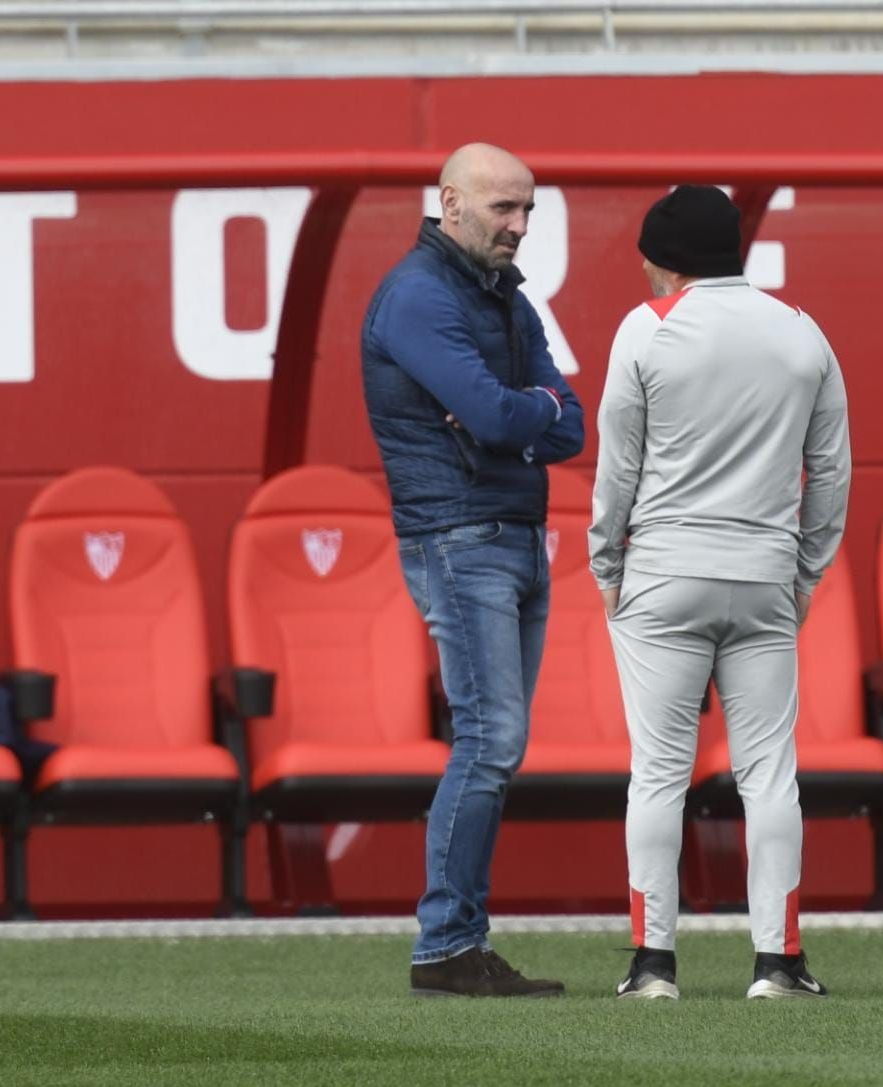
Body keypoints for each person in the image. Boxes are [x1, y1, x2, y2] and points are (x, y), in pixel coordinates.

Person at [589, 185, 851, 1001]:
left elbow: (617, 470)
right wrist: (804, 572)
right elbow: (832, 473)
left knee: (658, 774)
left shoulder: (647, 327)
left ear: (668, 261)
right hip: (765, 571)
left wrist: (607, 569)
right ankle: (777, 963)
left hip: (663, 572)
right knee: (770, 773)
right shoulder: (803, 332)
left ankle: (652, 966)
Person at [361, 142, 585, 997]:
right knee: (491, 741)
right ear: (451, 204)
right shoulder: (417, 298)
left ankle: (458, 942)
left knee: (496, 744)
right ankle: (445, 944)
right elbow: (505, 415)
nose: (521, 227)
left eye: (529, 209)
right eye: (504, 209)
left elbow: (568, 426)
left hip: (516, 537)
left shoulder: (502, 298)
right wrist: (518, 413)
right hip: (460, 536)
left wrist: (514, 414)